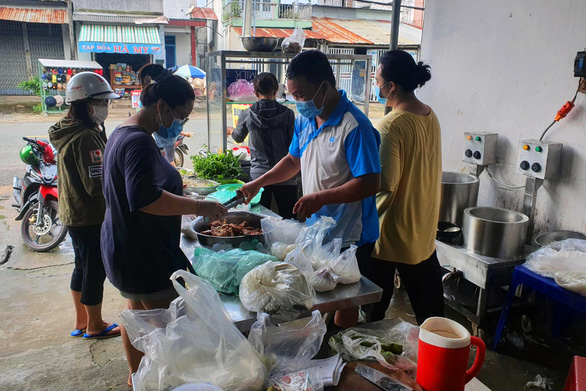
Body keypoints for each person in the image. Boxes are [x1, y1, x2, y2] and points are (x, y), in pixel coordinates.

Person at [100, 63, 227, 386]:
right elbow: (144, 198)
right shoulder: (138, 142)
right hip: (143, 253)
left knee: (135, 315)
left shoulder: (122, 132)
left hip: (121, 248)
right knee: (175, 329)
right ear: (160, 107)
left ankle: (136, 379)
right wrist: (200, 205)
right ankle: (166, 380)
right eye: (179, 116)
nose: (179, 124)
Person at [240, 50, 381, 327]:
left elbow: (370, 182)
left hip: (351, 234)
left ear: (324, 88)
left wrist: (320, 197)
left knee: (346, 296)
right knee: (322, 290)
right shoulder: (305, 118)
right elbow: (294, 160)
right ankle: (328, 334)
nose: (296, 101)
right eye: (292, 94)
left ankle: (341, 345)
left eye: (301, 94)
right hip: (320, 228)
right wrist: (257, 182)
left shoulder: (355, 126)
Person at [363, 50, 444, 325]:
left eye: (377, 80)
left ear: (391, 86)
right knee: (431, 314)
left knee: (373, 310)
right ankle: (441, 356)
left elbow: (386, 181)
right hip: (423, 225)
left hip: (392, 229)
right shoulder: (430, 115)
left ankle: (367, 361)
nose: (376, 85)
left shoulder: (391, 125)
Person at [48, 72, 121, 340]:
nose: (106, 107)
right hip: (89, 214)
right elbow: (96, 184)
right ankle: (95, 325)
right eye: (102, 102)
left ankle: (81, 321)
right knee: (94, 269)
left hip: (72, 211)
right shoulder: (87, 136)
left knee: (81, 266)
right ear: (86, 104)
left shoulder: (67, 128)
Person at [227, 72, 297, 218]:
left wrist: (231, 130)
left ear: (255, 92)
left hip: (259, 178)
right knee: (291, 221)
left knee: (261, 223)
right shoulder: (288, 114)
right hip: (285, 175)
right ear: (276, 90)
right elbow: (294, 144)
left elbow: (238, 138)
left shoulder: (247, 114)